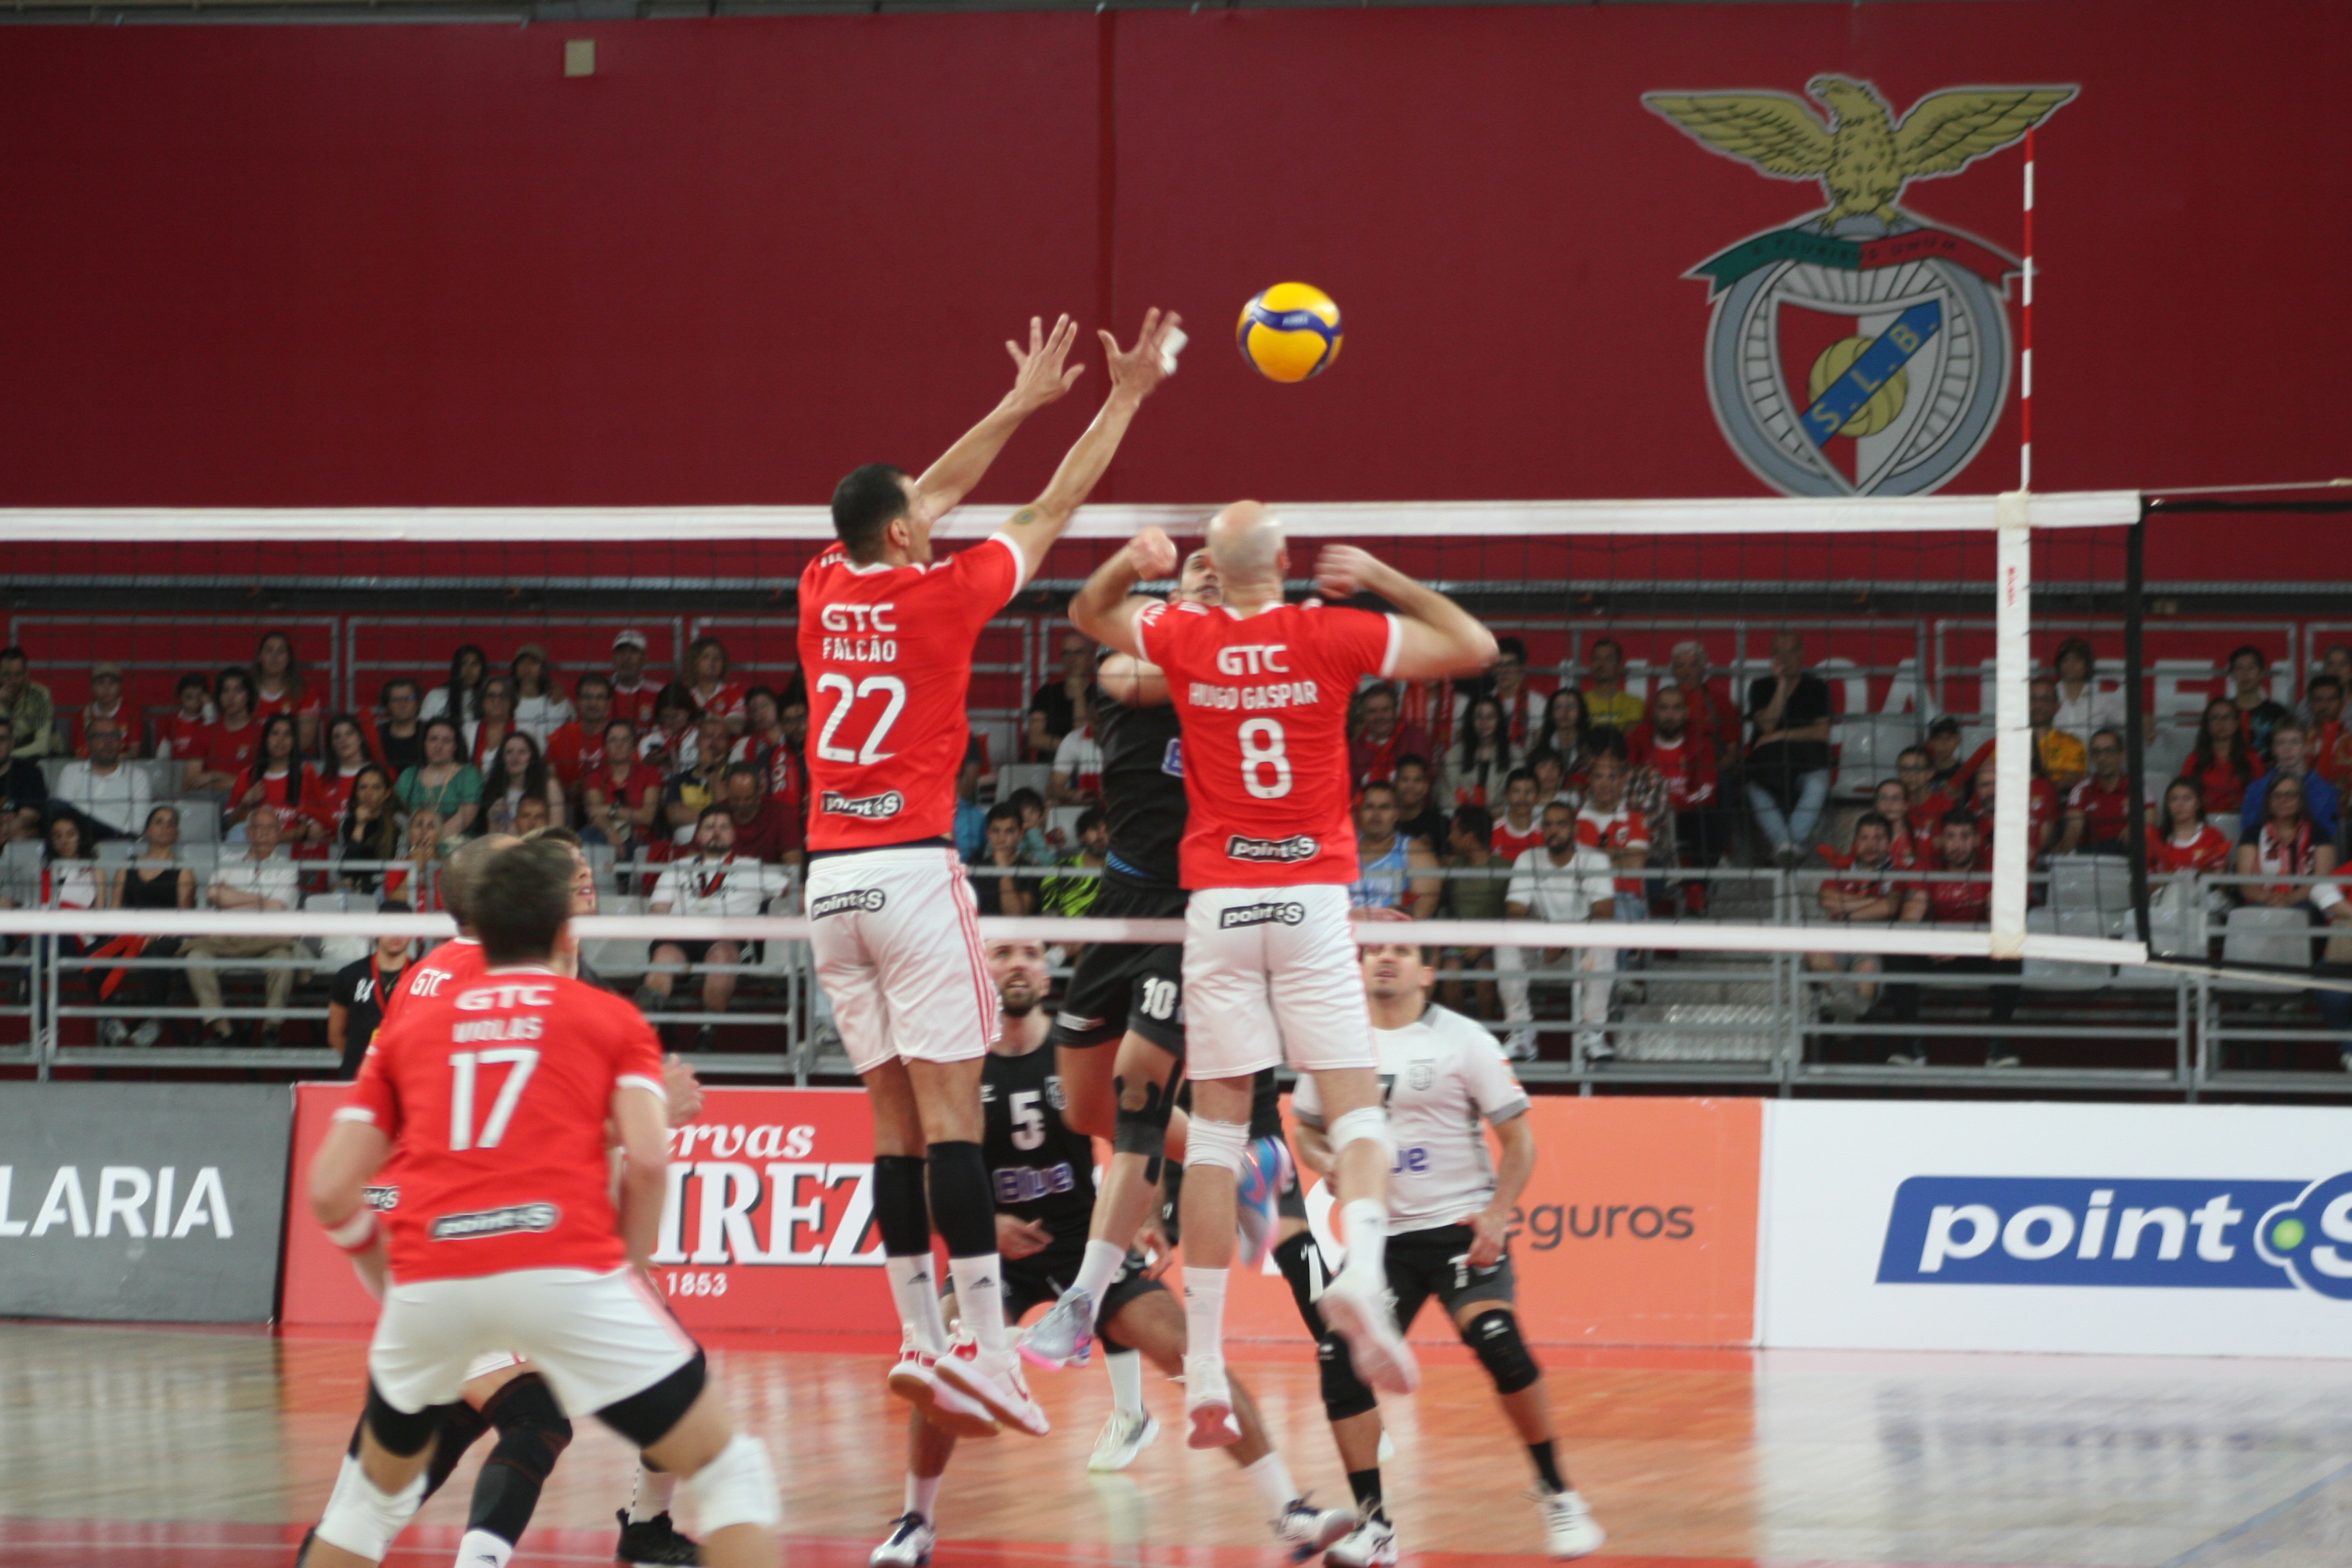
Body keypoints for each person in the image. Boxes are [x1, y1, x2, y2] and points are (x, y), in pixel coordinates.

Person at [799, 308, 1178, 1438]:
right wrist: (1121, 398)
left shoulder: (821, 583)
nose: (935, 517)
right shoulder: (944, 591)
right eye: (920, 519)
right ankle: (986, 1352)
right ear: (905, 534)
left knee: (892, 1127)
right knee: (951, 1124)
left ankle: (918, 1339)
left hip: (827, 885)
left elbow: (923, 495)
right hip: (910, 877)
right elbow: (1048, 507)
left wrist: (1017, 403)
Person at [1069, 500, 1496, 1420]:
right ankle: (1365, 1274)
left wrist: (1131, 563)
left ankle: (1207, 1365)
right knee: (1356, 1110)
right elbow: (1475, 645)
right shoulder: (1327, 632)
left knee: (1216, 1141)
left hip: (1219, 907)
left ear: (1213, 571)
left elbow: (1086, 613)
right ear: (1288, 560)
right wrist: (1378, 577)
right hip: (1309, 903)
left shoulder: (1186, 636)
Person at [297, 840, 781, 1568]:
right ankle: (612, 1533)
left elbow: (332, 1189)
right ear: (562, 928)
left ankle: (553, 1540)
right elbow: (648, 1161)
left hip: (434, 1268)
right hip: (560, 1261)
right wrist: (631, 1262)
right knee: (728, 1468)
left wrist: (389, 1282)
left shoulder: (417, 1010)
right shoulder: (603, 1015)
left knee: (366, 1506)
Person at [873, 940, 1355, 1568]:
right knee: (946, 1358)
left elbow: (1137, 1130)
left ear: (1047, 970)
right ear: (979, 965)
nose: (1017, 964)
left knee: (1189, 1349)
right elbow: (931, 1177)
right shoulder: (961, 1062)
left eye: (1030, 953)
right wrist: (985, 1226)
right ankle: (916, 1522)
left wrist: (1148, 1214)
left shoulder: (1074, 1047)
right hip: (994, 1255)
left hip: (1082, 1238)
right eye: (1002, 953)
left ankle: (1290, 1510)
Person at [1026, 549, 1294, 1384]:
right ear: (1165, 596)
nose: (1209, 573)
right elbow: (1130, 671)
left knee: (1140, 1087)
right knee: (1085, 1103)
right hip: (1120, 902)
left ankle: (1082, 1299)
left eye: (1224, 570)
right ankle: (1241, 1162)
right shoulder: (1132, 662)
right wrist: (1209, 636)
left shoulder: (1247, 679)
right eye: (1195, 569)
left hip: (1194, 907)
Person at [1283, 942, 1608, 1565]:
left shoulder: (1465, 1041)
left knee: (1498, 1343)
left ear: (1427, 973)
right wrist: (1328, 1161)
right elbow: (1306, 1129)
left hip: (1458, 1229)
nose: (1385, 959)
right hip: (1383, 1241)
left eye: (1402, 952)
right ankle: (1375, 1527)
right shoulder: (1337, 1041)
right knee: (1338, 1359)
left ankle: (1560, 1495)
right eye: (1373, 951)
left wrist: (1498, 1213)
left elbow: (1519, 1142)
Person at [640, 805, 787, 1049]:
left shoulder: (752, 867)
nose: (716, 833)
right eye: (709, 827)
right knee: (664, 955)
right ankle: (648, 1032)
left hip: (728, 938)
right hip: (681, 936)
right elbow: (658, 909)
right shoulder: (678, 867)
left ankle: (707, 1032)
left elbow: (792, 891)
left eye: (723, 827)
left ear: (733, 834)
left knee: (722, 956)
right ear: (698, 835)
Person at [1888, 810, 2020, 1068]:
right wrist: (1933, 944)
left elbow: (1998, 923)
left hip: (1978, 953)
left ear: (1977, 840)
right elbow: (1910, 919)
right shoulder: (1927, 864)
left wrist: (1962, 947)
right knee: (1896, 952)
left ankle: (1998, 1044)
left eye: (1965, 837)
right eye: (1950, 837)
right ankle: (1912, 1043)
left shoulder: (1992, 866)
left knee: (2010, 954)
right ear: (1941, 840)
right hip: (1936, 951)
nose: (1957, 845)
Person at [1498, 800, 1619, 1064]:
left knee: (1605, 939)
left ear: (1574, 829)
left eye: (1562, 824)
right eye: (1549, 825)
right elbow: (1515, 911)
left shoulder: (1595, 860)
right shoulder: (1527, 859)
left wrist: (1563, 942)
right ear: (1541, 829)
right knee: (1505, 941)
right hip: (1542, 953)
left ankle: (1592, 1033)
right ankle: (1521, 1033)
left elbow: (1604, 912)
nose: (1554, 830)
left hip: (1580, 955)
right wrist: (1545, 941)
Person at [183, 807, 301, 1046]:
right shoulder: (228, 863)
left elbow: (279, 907)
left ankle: (271, 1029)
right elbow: (214, 894)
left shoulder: (288, 868)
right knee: (195, 958)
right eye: (258, 827)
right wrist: (264, 900)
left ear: (279, 833)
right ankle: (222, 1030)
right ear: (248, 832)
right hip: (226, 941)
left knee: (283, 961)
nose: (264, 833)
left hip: (267, 942)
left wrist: (232, 898)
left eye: (270, 828)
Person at [101, 803, 195, 1048]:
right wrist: (129, 934)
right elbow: (114, 912)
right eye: (159, 822)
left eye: (171, 823)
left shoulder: (184, 870)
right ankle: (110, 1018)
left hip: (167, 936)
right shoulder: (127, 867)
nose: (165, 827)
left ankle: (154, 1020)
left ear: (177, 833)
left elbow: (183, 918)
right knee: (96, 952)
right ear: (146, 830)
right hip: (130, 933)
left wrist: (152, 935)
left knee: (157, 954)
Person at [1627, 683, 1721, 908]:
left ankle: (1696, 888)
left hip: (1685, 813)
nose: (1670, 715)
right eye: (1664, 708)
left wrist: (1676, 804)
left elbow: (1707, 789)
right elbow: (1626, 779)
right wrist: (1654, 806)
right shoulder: (1638, 737)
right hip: (1645, 815)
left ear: (1686, 712)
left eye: (1677, 708)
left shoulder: (1701, 742)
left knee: (1713, 820)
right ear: (1654, 711)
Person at [1743, 631, 1834, 865]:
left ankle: (1786, 845)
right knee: (1754, 788)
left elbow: (1822, 732)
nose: (1785, 658)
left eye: (1791, 651)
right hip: (1769, 765)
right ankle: (1787, 845)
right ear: (1771, 657)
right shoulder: (1761, 686)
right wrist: (1782, 685)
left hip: (1808, 761)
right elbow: (1767, 725)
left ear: (1802, 654)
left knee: (1818, 784)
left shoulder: (1816, 686)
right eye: (1778, 653)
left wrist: (1780, 736)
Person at [1806, 812, 1900, 1031]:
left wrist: (1847, 911)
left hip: (1870, 946)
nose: (1870, 845)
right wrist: (1873, 902)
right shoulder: (1841, 868)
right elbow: (1827, 901)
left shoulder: (1898, 873)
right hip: (1837, 943)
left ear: (1889, 843)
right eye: (1864, 838)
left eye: (1878, 838)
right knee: (1814, 950)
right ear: (1856, 842)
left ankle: (1846, 1009)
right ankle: (1848, 1008)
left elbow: (1889, 907)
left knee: (1867, 968)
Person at [328, 914, 413, 1078]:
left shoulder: (424, 976)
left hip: (406, 1075)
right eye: (389, 928)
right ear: (376, 931)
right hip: (359, 1074)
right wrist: (360, 1061)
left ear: (413, 933)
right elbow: (335, 1035)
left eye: (403, 928)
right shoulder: (349, 975)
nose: (396, 935)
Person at [228, 714, 326, 847]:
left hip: (291, 850)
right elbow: (231, 826)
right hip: (250, 848)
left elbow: (308, 827)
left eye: (287, 734)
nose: (281, 740)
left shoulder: (306, 775)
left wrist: (271, 840)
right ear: (266, 739)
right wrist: (244, 805)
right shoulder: (248, 775)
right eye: (275, 733)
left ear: (294, 741)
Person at [1346, 780, 1441, 918]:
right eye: (1369, 807)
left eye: (1384, 807)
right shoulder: (1344, 848)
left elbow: (1423, 910)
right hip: (1346, 929)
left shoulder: (1415, 852)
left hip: (1394, 930)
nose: (1376, 814)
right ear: (1360, 812)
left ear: (1396, 814)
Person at [51, 714, 151, 841]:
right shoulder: (71, 771)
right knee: (54, 807)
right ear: (88, 741)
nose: (108, 741)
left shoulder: (137, 777)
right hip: (77, 841)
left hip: (116, 841)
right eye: (100, 736)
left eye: (114, 735)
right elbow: (62, 817)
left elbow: (137, 827)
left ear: (120, 741)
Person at [2242, 719, 2342, 841]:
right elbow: (2249, 835)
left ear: (2306, 747)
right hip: (2266, 850)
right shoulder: (2255, 790)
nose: (2288, 749)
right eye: (2281, 743)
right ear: (2273, 748)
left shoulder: (2327, 792)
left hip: (2312, 851)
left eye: (2295, 742)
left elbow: (2326, 837)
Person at [583, 718, 665, 861]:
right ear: (605, 746)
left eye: (625, 740)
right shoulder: (594, 776)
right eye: (613, 740)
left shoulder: (650, 773)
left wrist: (611, 810)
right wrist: (611, 833)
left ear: (633, 746)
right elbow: (595, 814)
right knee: (586, 838)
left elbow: (648, 817)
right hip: (605, 835)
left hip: (640, 839)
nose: (619, 745)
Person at [395, 719, 483, 839]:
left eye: (446, 741)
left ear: (455, 746)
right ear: (424, 743)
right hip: (415, 844)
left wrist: (432, 840)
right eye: (433, 739)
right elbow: (398, 815)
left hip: (458, 845)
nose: (438, 746)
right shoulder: (409, 775)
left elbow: (467, 815)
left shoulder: (468, 774)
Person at [1661, 640, 1742, 766]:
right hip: (1669, 763)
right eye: (1681, 666)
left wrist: (1713, 771)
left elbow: (1732, 751)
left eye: (1693, 665)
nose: (1687, 672)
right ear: (1673, 671)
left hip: (1711, 765)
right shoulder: (1661, 701)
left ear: (1703, 669)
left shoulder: (1719, 700)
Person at [2057, 729, 2135, 856]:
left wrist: (2137, 827)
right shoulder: (2081, 790)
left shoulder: (2137, 787)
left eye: (2109, 751)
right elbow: (2073, 830)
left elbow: (2150, 820)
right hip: (2089, 857)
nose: (2102, 758)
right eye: (2097, 752)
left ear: (2122, 755)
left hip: (2127, 858)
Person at [185, 667, 261, 793]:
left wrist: (215, 775)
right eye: (225, 691)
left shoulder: (262, 733)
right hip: (208, 802)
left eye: (238, 690)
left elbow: (259, 784)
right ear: (219, 696)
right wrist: (238, 783)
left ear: (249, 695)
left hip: (249, 802)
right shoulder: (204, 733)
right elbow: (190, 784)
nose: (231, 697)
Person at [1027, 630, 1097, 763]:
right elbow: (1034, 738)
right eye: (1067, 653)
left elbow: (1085, 736)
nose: (1072, 659)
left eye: (1079, 652)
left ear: (1091, 658)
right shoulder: (1047, 693)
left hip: (1086, 768)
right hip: (1049, 765)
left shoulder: (1101, 695)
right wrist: (1075, 750)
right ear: (1061, 658)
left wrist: (1079, 696)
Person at [2186, 696, 2261, 816]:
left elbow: (2262, 796)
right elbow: (2184, 794)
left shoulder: (2251, 758)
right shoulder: (2194, 759)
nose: (2221, 723)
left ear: (2236, 723)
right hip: (2204, 820)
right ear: (2207, 724)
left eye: (2227, 717)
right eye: (2215, 718)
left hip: (2242, 820)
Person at [252, 630, 325, 754]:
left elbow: (305, 738)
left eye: (281, 651)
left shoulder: (305, 691)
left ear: (289, 659)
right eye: (269, 650)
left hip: (293, 759)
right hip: (251, 758)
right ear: (260, 656)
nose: (274, 657)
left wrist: (274, 759)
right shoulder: (246, 690)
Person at [483, 730, 567, 836]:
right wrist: (492, 817)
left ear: (532, 757)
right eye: (509, 752)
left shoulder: (550, 786)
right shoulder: (493, 788)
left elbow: (557, 832)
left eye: (522, 752)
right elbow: (491, 839)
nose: (515, 757)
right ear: (502, 758)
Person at [2148, 777, 2233, 879]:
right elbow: (2146, 882)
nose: (2179, 805)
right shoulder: (2155, 838)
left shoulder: (2213, 836)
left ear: (2198, 803)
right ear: (2167, 805)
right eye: (2174, 799)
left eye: (2187, 799)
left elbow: (2218, 881)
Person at [338, 765, 405, 893]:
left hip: (388, 888)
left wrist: (363, 883)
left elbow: (400, 869)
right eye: (363, 787)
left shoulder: (399, 822)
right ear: (356, 793)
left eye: (376, 787)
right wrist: (360, 826)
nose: (369, 793)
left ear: (386, 793)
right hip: (354, 889)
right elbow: (345, 869)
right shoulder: (347, 823)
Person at [1348, 684, 1429, 788]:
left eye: (1385, 710)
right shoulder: (1355, 749)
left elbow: (1424, 783)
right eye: (1372, 711)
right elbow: (1350, 788)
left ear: (1396, 711)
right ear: (1364, 715)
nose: (1380, 716)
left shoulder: (1414, 738)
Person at [544, 673, 612, 797]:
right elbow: (546, 779)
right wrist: (566, 791)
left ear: (608, 703)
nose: (593, 703)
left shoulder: (620, 737)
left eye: (600, 697)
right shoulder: (560, 736)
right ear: (578, 702)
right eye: (587, 697)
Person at [2049, 638, 2126, 745]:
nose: (2071, 665)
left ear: (2087, 665)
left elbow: (2129, 721)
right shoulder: (2049, 697)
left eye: (2077, 660)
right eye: (2065, 660)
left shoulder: (2101, 700)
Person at [1442, 694, 1514, 808]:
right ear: (1470, 720)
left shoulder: (1515, 754)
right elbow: (1447, 800)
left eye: (1491, 716)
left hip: (1502, 818)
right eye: (1479, 716)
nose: (1484, 722)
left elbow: (1517, 799)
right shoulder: (1453, 756)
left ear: (1499, 720)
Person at [718, 762, 795, 867]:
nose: (741, 804)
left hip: (770, 876)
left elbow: (794, 867)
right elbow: (697, 861)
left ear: (760, 790)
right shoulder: (716, 814)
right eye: (735, 798)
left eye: (748, 799)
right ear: (727, 790)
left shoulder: (781, 813)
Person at [1038, 805, 1108, 920]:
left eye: (1106, 831)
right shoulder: (1058, 870)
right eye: (1094, 829)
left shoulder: (1121, 871)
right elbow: (1050, 915)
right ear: (1082, 837)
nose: (1101, 836)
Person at [2226, 644, 2292, 763]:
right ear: (2232, 674)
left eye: (2251, 668)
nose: (2245, 674)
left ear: (2262, 673)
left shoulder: (2277, 713)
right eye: (2240, 668)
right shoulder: (2223, 711)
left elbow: (2289, 750)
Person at [967, 803, 1035, 917]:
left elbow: (1015, 916)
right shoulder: (974, 867)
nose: (1001, 839)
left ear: (1020, 835)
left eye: (1009, 831)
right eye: (996, 831)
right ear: (987, 834)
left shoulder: (1030, 871)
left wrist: (1003, 868)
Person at [317, 716, 379, 827]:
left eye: (349, 733)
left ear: (361, 737)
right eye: (337, 736)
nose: (343, 740)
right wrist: (311, 827)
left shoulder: (378, 775)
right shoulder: (323, 781)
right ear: (332, 744)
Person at [385, 805, 448, 912]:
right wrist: (416, 868)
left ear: (439, 836)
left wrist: (430, 865)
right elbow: (394, 905)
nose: (424, 832)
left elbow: (451, 904)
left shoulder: (449, 867)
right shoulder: (398, 865)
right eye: (419, 825)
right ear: (409, 834)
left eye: (430, 826)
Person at [0, 645, 58, 757]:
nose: (12, 681)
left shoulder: (40, 696)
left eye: (18, 675)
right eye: (7, 675)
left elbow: (42, 746)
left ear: (26, 675)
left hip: (39, 758)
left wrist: (7, 757)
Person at [509, 644, 574, 742]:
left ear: (543, 668)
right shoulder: (507, 703)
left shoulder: (558, 701)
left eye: (534, 662)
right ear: (515, 668)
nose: (527, 667)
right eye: (522, 662)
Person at [72, 660, 137, 757]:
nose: (107, 688)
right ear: (92, 687)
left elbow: (134, 752)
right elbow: (80, 754)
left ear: (121, 686)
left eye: (112, 683)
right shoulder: (83, 715)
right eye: (101, 683)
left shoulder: (132, 712)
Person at [683, 636, 748, 732]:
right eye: (706, 657)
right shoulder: (684, 694)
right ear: (695, 662)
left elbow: (737, 727)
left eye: (717, 658)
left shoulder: (732, 691)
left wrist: (706, 716)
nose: (712, 662)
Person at [1578, 636, 1643, 732]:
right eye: (1597, 658)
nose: (1602, 664)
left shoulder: (1634, 704)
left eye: (1609, 659)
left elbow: (1630, 738)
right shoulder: (1580, 703)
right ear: (1591, 666)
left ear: (1620, 667)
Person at [371, 679, 429, 777]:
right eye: (396, 699)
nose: (402, 704)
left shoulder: (430, 734)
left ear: (418, 703)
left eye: (409, 699)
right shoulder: (376, 734)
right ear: (387, 705)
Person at [638, 683, 701, 772]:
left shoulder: (700, 736)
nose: (670, 721)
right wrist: (647, 762)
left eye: (675, 716)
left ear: (688, 712)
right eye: (665, 717)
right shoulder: (650, 740)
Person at [0, 718, 46, 842]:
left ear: (12, 743)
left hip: (17, 840)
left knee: (23, 834)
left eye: (2, 739)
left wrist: (8, 826)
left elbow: (28, 818)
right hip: (9, 834)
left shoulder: (29, 772)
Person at [420, 642, 488, 725]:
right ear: (457, 667)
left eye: (475, 664)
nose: (469, 670)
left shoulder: (488, 699)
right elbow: (422, 727)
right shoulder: (437, 695)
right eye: (464, 663)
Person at [464, 675, 522, 771]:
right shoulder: (468, 731)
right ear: (482, 701)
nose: (497, 701)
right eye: (491, 696)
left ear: (511, 701)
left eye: (503, 696)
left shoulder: (524, 729)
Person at [158, 671, 217, 764]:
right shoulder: (172, 720)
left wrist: (208, 705)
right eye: (189, 697)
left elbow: (213, 730)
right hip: (176, 768)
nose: (194, 701)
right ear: (180, 697)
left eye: (198, 697)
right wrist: (161, 766)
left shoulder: (205, 720)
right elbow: (164, 749)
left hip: (200, 767)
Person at [1530, 688, 1588, 781]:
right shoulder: (1539, 741)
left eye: (1572, 706)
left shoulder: (1589, 744)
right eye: (1558, 707)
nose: (1565, 712)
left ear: (1581, 711)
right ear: (1551, 712)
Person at [1489, 768, 1545, 865]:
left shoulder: (1544, 833)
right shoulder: (1491, 830)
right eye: (1516, 791)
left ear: (1538, 797)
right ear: (1506, 796)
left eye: (1529, 792)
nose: (1522, 798)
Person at [2306, 675, 2352, 791]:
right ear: (2309, 704)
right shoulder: (2297, 741)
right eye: (2319, 700)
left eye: (2331, 700)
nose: (2325, 706)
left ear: (2342, 704)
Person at [1389, 754, 1444, 848]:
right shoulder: (1385, 822)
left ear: (1426, 786)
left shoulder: (1440, 824)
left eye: (1417, 780)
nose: (1410, 786)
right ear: (1394, 784)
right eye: (1405, 780)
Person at [608, 630, 659, 728]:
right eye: (621, 652)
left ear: (645, 660)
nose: (626, 658)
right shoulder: (600, 691)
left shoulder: (658, 693)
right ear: (613, 659)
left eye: (633, 652)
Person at [1048, 716, 1103, 805]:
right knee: (1050, 804)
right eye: (1097, 722)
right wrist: (1072, 795)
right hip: (1087, 808)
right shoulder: (1074, 739)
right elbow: (1052, 790)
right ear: (1088, 715)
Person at [1922, 716, 1968, 789]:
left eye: (1949, 738)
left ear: (1958, 741)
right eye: (1938, 738)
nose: (1944, 743)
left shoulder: (1966, 772)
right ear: (1930, 742)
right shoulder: (1922, 772)